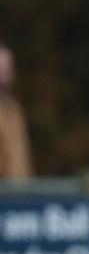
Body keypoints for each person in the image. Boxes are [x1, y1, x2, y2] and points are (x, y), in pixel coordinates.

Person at [0, 42, 34, 179]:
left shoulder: (15, 110)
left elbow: (23, 159)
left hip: (20, 189)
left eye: (7, 70)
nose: (3, 77)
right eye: (0, 70)